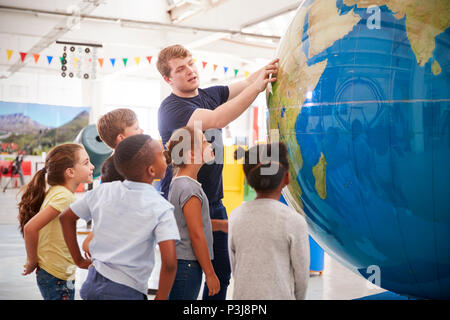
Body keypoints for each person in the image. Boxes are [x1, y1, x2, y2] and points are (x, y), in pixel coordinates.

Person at [157, 44, 278, 300]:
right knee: (189, 274)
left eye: (191, 62)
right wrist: (257, 89)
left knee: (221, 275)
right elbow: (216, 119)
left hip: (213, 201)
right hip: (184, 202)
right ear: (168, 79)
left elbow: (246, 81)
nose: (190, 70)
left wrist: (273, 66)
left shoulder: (209, 94)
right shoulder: (171, 110)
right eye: (181, 69)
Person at [59, 134, 180, 300]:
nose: (166, 158)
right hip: (127, 291)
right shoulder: (161, 207)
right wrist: (162, 296)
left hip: (93, 284)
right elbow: (170, 262)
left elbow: (65, 218)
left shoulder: (103, 191)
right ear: (151, 170)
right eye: (161, 154)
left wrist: (78, 260)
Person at [229, 142, 310, 300]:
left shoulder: (235, 216)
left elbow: (235, 267)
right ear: (286, 178)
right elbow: (302, 276)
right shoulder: (294, 221)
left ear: (247, 179)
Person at [18, 143, 94, 300]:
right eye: (86, 163)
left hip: (57, 272)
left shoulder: (57, 192)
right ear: (70, 172)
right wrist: (32, 261)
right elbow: (30, 228)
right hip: (55, 275)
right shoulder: (64, 197)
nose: (92, 166)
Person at [165, 127, 225, 300]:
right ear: (191, 155)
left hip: (182, 263)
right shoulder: (189, 189)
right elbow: (196, 235)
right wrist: (210, 273)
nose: (210, 144)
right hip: (187, 266)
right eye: (205, 142)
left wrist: (220, 225)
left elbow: (188, 223)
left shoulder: (180, 183)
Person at [81, 108, 144, 257]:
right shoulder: (117, 167)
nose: (141, 131)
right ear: (121, 138)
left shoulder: (122, 163)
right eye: (135, 128)